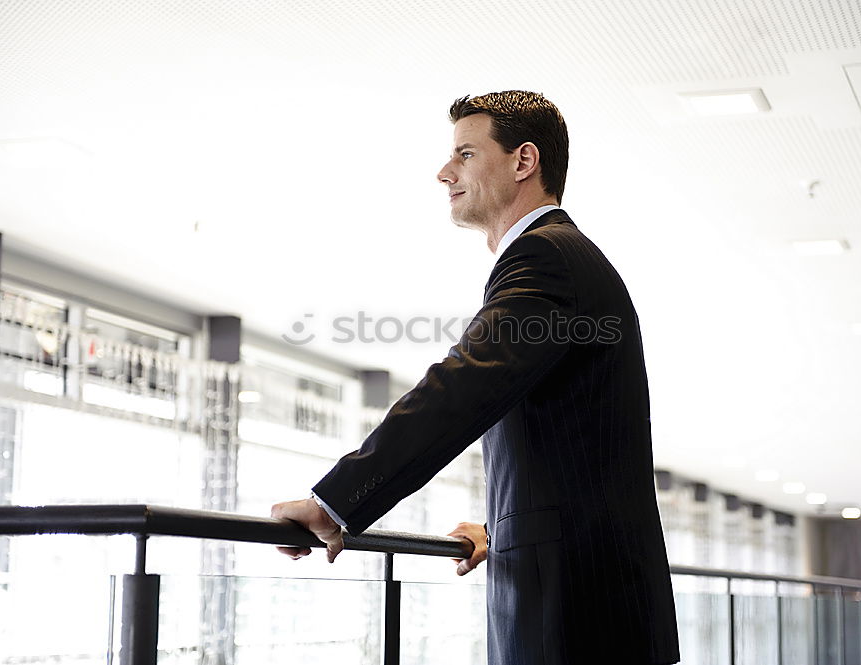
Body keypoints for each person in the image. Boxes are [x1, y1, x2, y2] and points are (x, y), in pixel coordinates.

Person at [272, 90, 681, 665]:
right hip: (591, 595)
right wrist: (501, 525)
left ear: (523, 162)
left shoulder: (545, 256)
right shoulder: (564, 257)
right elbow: (577, 438)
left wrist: (333, 503)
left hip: (577, 608)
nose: (444, 172)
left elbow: (465, 384)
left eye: (465, 154)